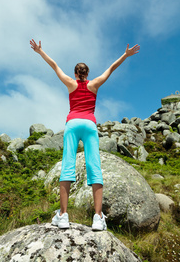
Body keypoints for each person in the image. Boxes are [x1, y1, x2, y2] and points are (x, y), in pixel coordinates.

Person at [30, 39, 140, 230]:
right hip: (89, 125)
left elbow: (54, 65)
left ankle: (63, 215)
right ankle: (98, 218)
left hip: (72, 124)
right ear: (87, 74)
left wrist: (40, 51)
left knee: (67, 165)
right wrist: (126, 55)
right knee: (94, 166)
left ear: (75, 73)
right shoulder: (95, 84)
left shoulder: (70, 83)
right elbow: (111, 68)